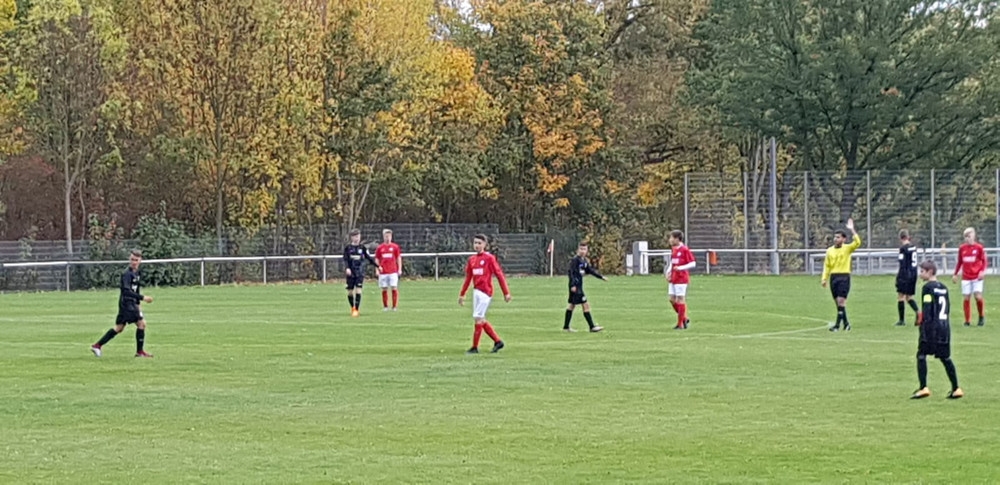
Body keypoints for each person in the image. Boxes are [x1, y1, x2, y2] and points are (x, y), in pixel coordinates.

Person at [911, 260, 963, 400]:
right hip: (944, 327)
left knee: (921, 354)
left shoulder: (927, 288)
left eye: (922, 271)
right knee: (945, 357)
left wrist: (923, 324)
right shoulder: (944, 288)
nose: (920, 274)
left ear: (930, 272)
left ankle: (923, 387)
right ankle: (956, 388)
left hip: (931, 327)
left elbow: (927, 308)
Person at [90, 249, 154, 358]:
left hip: (131, 304)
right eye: (132, 259)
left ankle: (97, 345)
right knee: (141, 324)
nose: (134, 262)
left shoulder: (137, 273)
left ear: (140, 260)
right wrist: (143, 298)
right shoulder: (127, 274)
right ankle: (140, 352)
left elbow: (136, 289)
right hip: (127, 304)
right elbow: (126, 291)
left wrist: (138, 304)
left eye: (136, 260)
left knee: (119, 328)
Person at [458, 234, 511, 354]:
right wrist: (462, 294)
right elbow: (468, 278)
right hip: (476, 291)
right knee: (480, 319)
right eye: (475, 243)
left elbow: (499, 275)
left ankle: (475, 347)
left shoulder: (489, 258)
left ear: (485, 245)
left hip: (485, 292)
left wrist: (506, 292)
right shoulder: (472, 260)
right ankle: (498, 341)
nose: (477, 245)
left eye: (479, 243)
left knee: (478, 318)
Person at [821, 218, 861, 332]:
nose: (836, 239)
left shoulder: (847, 249)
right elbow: (827, 266)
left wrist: (852, 230)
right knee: (838, 304)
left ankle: (837, 326)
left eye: (838, 237)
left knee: (841, 302)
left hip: (844, 277)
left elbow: (857, 242)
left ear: (844, 239)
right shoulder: (829, 251)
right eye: (835, 237)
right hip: (834, 278)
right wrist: (824, 278)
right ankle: (846, 324)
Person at [564, 242, 607, 333]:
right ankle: (592, 327)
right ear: (578, 250)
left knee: (572, 305)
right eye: (581, 249)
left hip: (579, 286)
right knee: (585, 304)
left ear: (587, 250)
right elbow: (571, 273)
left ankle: (566, 327)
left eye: (584, 249)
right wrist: (573, 285)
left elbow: (590, 270)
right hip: (576, 287)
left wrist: (601, 277)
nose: (583, 251)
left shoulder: (584, 261)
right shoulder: (575, 260)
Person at [952, 227, 986, 326]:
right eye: (966, 237)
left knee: (978, 296)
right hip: (966, 277)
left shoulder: (979, 248)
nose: (967, 238)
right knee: (966, 298)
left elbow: (984, 261)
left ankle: (981, 316)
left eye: (969, 236)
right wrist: (955, 274)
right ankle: (967, 321)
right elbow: (960, 262)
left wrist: (982, 271)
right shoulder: (962, 248)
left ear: (974, 236)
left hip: (977, 276)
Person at [343, 229, 380, 317]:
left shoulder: (362, 248)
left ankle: (356, 309)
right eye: (355, 236)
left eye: (358, 236)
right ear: (352, 238)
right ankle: (352, 307)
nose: (357, 238)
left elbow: (369, 258)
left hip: (359, 272)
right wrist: (347, 268)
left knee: (358, 290)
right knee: (350, 292)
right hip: (351, 272)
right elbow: (345, 259)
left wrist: (378, 266)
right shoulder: (348, 248)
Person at [665, 230, 696, 330]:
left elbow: (693, 263)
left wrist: (680, 268)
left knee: (680, 299)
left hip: (681, 278)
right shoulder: (674, 249)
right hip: (673, 277)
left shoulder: (685, 249)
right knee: (671, 299)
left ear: (677, 239)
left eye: (671, 238)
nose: (670, 240)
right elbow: (672, 262)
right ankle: (684, 318)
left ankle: (680, 324)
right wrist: (668, 272)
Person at [894, 230, 920, 326]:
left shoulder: (903, 249)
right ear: (908, 237)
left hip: (905, 274)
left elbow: (902, 263)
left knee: (901, 296)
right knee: (909, 297)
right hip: (914, 274)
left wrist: (899, 277)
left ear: (900, 238)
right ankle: (918, 312)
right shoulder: (913, 247)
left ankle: (901, 320)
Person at [375, 229, 403, 312]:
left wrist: (399, 269)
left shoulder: (395, 247)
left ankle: (394, 307)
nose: (387, 238)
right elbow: (377, 259)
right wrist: (377, 269)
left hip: (393, 271)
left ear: (391, 237)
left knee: (394, 287)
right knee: (384, 288)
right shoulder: (380, 248)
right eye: (386, 236)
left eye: (389, 236)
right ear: (383, 237)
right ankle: (385, 306)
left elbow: (398, 258)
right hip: (383, 272)